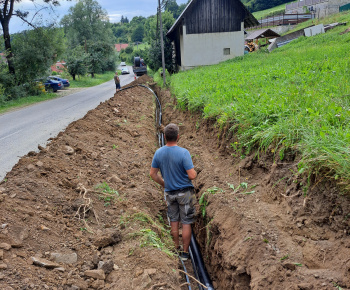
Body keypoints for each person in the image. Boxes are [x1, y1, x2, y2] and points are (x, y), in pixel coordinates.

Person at [150, 123, 197, 261]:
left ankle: (175, 247)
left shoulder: (159, 153)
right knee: (186, 222)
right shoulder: (184, 153)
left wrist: (165, 183)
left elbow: (153, 174)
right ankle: (185, 252)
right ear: (178, 137)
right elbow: (192, 175)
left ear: (164, 137)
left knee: (174, 221)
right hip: (186, 193)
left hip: (170, 193)